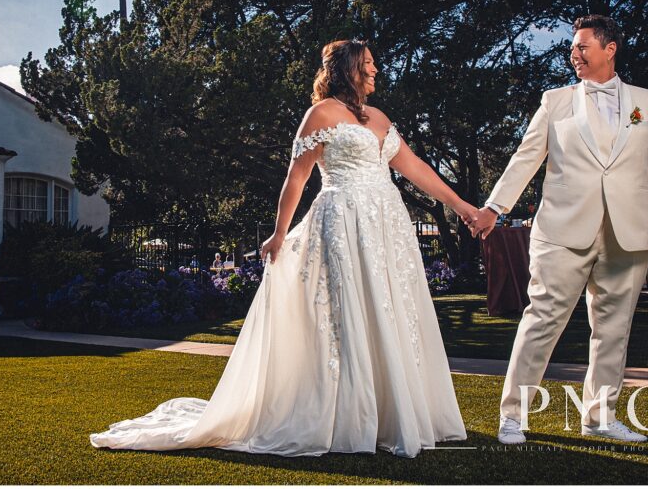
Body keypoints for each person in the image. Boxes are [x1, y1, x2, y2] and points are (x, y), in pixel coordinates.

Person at [91, 39, 477, 457]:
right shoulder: (320, 115)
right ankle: (349, 417)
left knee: (390, 307)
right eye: (368, 64)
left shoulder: (381, 118)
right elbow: (296, 179)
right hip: (343, 220)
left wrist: (464, 208)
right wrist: (279, 233)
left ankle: (393, 414)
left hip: (386, 224)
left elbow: (416, 168)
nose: (376, 70)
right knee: (347, 314)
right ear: (348, 68)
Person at [468, 15, 648, 445]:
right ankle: (513, 415)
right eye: (572, 47)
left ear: (610, 49)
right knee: (541, 321)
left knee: (613, 331)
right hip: (561, 232)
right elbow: (525, 158)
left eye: (584, 46)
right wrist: (495, 206)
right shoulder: (556, 101)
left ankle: (599, 416)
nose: (574, 54)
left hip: (629, 234)